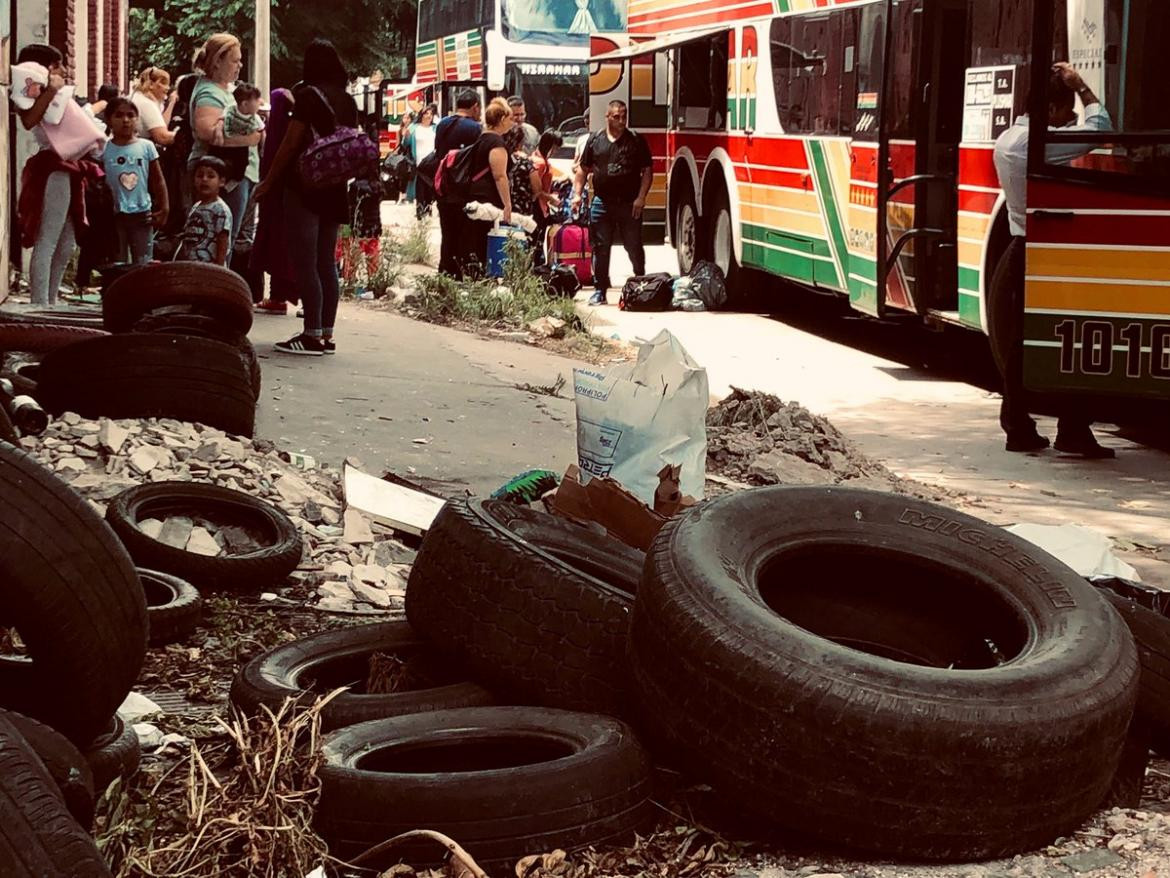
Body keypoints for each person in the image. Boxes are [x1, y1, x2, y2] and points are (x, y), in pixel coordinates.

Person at [992, 62, 1115, 458]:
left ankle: (1018, 426)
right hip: (1046, 254)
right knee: (1073, 339)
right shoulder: (1037, 142)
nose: (1069, 120)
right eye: (1065, 113)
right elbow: (1101, 128)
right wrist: (1082, 86)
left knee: (1019, 344)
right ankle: (1074, 430)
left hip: (1019, 249)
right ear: (1049, 111)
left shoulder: (1008, 138)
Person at [254, 38, 358, 357]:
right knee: (326, 262)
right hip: (335, 187)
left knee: (304, 262)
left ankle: (311, 334)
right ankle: (325, 333)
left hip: (304, 186)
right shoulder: (348, 100)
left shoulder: (308, 96)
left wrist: (269, 181)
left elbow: (290, 143)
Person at [13, 44, 88, 305]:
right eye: (59, 64)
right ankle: (39, 301)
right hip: (53, 164)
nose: (64, 70)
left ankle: (51, 297)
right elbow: (28, 120)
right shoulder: (35, 90)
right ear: (48, 68)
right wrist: (53, 89)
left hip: (69, 164)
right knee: (49, 237)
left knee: (67, 240)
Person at [571, 100, 653, 305]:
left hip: (628, 203)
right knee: (601, 247)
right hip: (602, 202)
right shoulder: (595, 140)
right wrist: (577, 195)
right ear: (607, 117)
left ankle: (639, 280)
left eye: (624, 116)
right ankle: (600, 290)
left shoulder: (635, 140)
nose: (621, 120)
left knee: (633, 246)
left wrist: (641, 198)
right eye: (616, 116)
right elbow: (583, 170)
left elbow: (647, 172)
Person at [188, 33, 262, 247]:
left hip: (240, 174)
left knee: (233, 239)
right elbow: (208, 133)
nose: (239, 66)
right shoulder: (209, 92)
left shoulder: (228, 89)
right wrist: (252, 138)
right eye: (234, 60)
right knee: (219, 240)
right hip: (223, 176)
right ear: (217, 61)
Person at [102, 97, 168, 264]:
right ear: (109, 120)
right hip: (114, 214)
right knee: (118, 262)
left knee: (144, 261)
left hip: (141, 213)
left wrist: (164, 207)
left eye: (130, 115)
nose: (125, 120)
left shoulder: (146, 147)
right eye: (119, 115)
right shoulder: (104, 149)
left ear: (137, 119)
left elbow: (158, 180)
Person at [252, 88, 299, 314]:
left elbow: (271, 161)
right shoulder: (296, 126)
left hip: (275, 197)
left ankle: (277, 297)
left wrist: (265, 185)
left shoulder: (278, 131)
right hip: (293, 198)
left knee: (275, 244)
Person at [459, 97, 515, 276]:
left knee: (474, 241)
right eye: (510, 118)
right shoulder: (496, 143)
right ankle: (483, 277)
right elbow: (500, 176)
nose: (512, 122)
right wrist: (507, 204)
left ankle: (474, 276)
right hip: (487, 199)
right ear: (502, 119)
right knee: (485, 239)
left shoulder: (482, 138)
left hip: (473, 195)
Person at [434, 90, 484, 277]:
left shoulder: (442, 125)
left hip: (443, 186)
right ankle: (461, 272)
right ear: (475, 106)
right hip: (464, 190)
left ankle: (445, 271)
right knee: (464, 234)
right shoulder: (474, 128)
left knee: (447, 233)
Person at [179, 156, 232, 265]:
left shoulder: (220, 209)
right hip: (192, 266)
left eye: (211, 176)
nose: (204, 179)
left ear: (221, 182)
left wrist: (219, 268)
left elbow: (223, 240)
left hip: (211, 269)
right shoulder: (196, 207)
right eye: (199, 175)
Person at [530, 130, 563, 263]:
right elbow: (537, 190)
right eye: (555, 148)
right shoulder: (540, 163)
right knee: (537, 244)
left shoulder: (536, 158)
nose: (555, 151)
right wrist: (552, 199)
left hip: (539, 206)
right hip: (538, 207)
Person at [131, 66, 177, 146]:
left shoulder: (140, 98)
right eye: (163, 83)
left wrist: (172, 103)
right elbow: (163, 137)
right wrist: (184, 135)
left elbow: (161, 125)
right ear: (151, 84)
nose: (168, 88)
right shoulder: (147, 104)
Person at [404, 104, 437, 203]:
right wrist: (406, 136)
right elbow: (405, 144)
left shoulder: (436, 128)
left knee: (430, 190)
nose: (429, 116)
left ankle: (428, 209)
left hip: (432, 163)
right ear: (421, 115)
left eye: (431, 113)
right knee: (420, 190)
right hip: (418, 163)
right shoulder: (413, 128)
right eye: (427, 113)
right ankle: (420, 211)